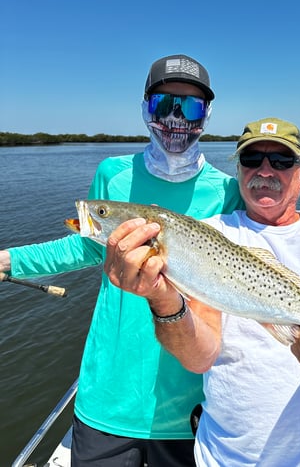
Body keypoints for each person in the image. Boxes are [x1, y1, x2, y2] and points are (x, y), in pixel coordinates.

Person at [0, 54, 243, 467]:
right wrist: (6, 260)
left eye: (191, 106)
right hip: (107, 394)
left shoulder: (229, 191)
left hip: (192, 402)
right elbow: (83, 247)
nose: (176, 118)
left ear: (208, 115)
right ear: (145, 107)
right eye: (164, 104)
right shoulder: (112, 176)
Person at [104, 117, 300, 467]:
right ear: (239, 172)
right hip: (224, 457)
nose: (265, 171)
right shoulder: (208, 233)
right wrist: (160, 297)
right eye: (252, 160)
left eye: (281, 162)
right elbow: (199, 357)